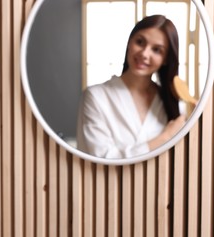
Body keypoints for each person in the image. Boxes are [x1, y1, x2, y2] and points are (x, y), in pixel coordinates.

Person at [76, 15, 186, 159]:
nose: (144, 54)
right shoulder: (96, 96)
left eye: (157, 50)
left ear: (165, 59)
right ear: (129, 42)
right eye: (140, 42)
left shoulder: (172, 103)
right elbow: (101, 157)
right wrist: (165, 137)